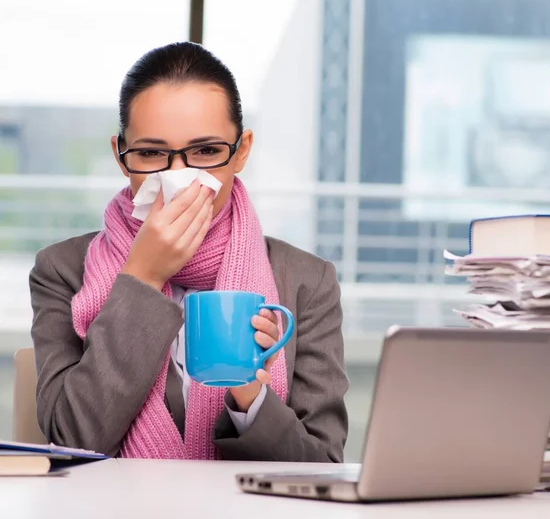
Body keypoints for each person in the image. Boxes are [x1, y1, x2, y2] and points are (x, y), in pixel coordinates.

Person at [29, 42, 348, 462]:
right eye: (151, 153)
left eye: (205, 151)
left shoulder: (306, 281)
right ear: (121, 156)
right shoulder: (63, 270)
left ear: (242, 151)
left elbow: (323, 466)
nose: (177, 177)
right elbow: (73, 439)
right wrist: (142, 277)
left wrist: (250, 395)